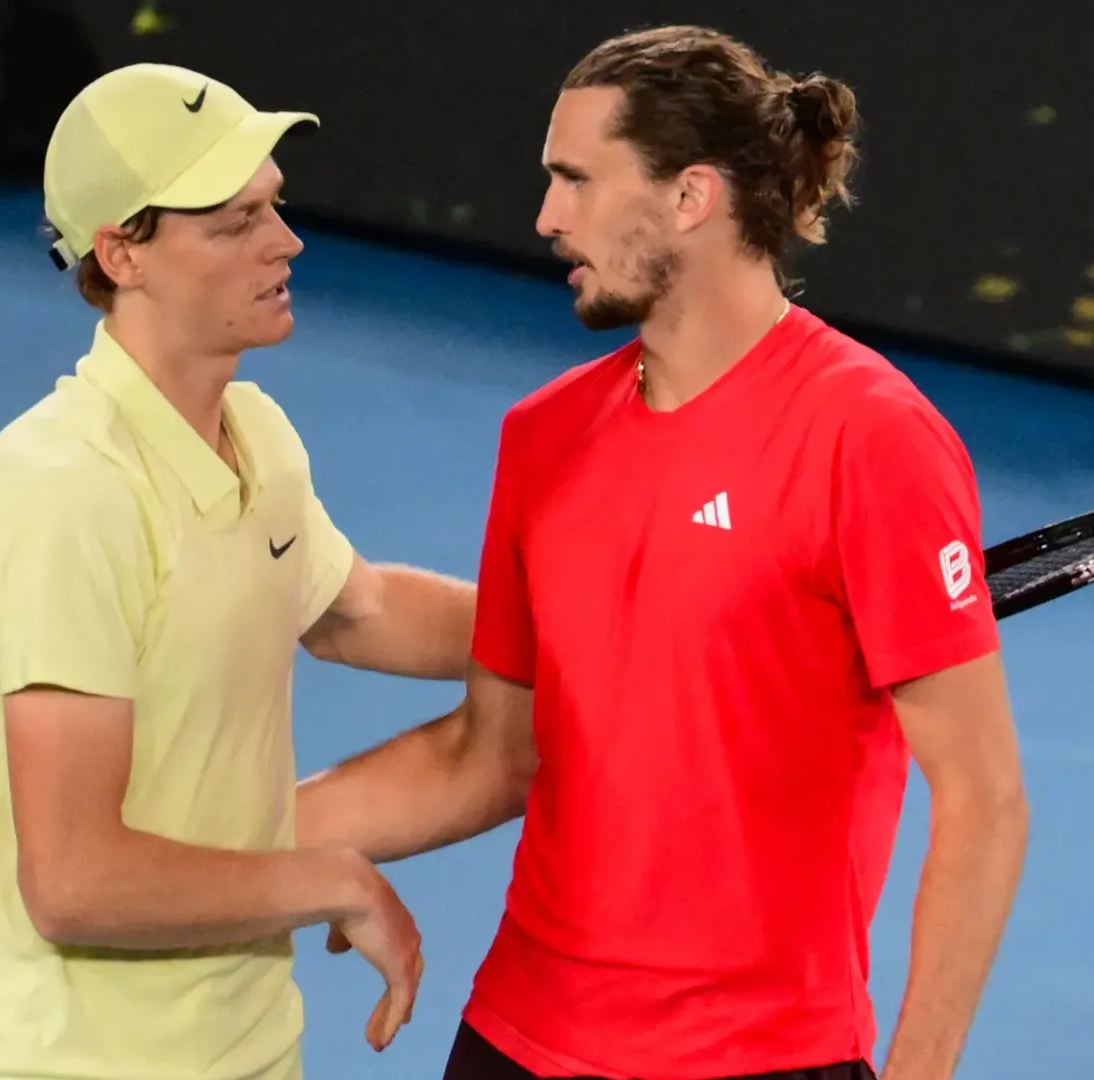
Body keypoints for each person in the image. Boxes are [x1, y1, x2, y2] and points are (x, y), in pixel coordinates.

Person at [296, 25, 1030, 1080]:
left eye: (577, 180)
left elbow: (983, 796)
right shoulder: (542, 438)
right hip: (515, 1037)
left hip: (759, 1059)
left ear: (693, 198)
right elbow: (489, 756)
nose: (547, 218)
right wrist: (248, 846)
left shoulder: (868, 439)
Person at [0, 63, 472, 1080]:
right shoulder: (68, 487)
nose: (286, 241)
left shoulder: (256, 436)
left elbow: (358, 609)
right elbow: (75, 881)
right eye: (233, 222)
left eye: (275, 207)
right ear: (121, 253)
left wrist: (597, 626)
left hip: (244, 1048)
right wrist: (334, 881)